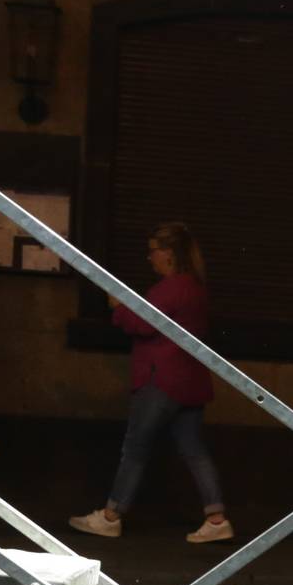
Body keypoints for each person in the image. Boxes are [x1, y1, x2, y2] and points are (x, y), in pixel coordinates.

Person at [71, 223, 230, 543]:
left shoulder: (169, 289)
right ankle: (216, 519)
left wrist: (117, 306)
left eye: (154, 250)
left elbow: (140, 324)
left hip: (161, 380)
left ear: (169, 254)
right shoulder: (194, 288)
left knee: (136, 449)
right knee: (193, 449)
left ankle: (111, 516)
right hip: (190, 382)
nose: (149, 257)